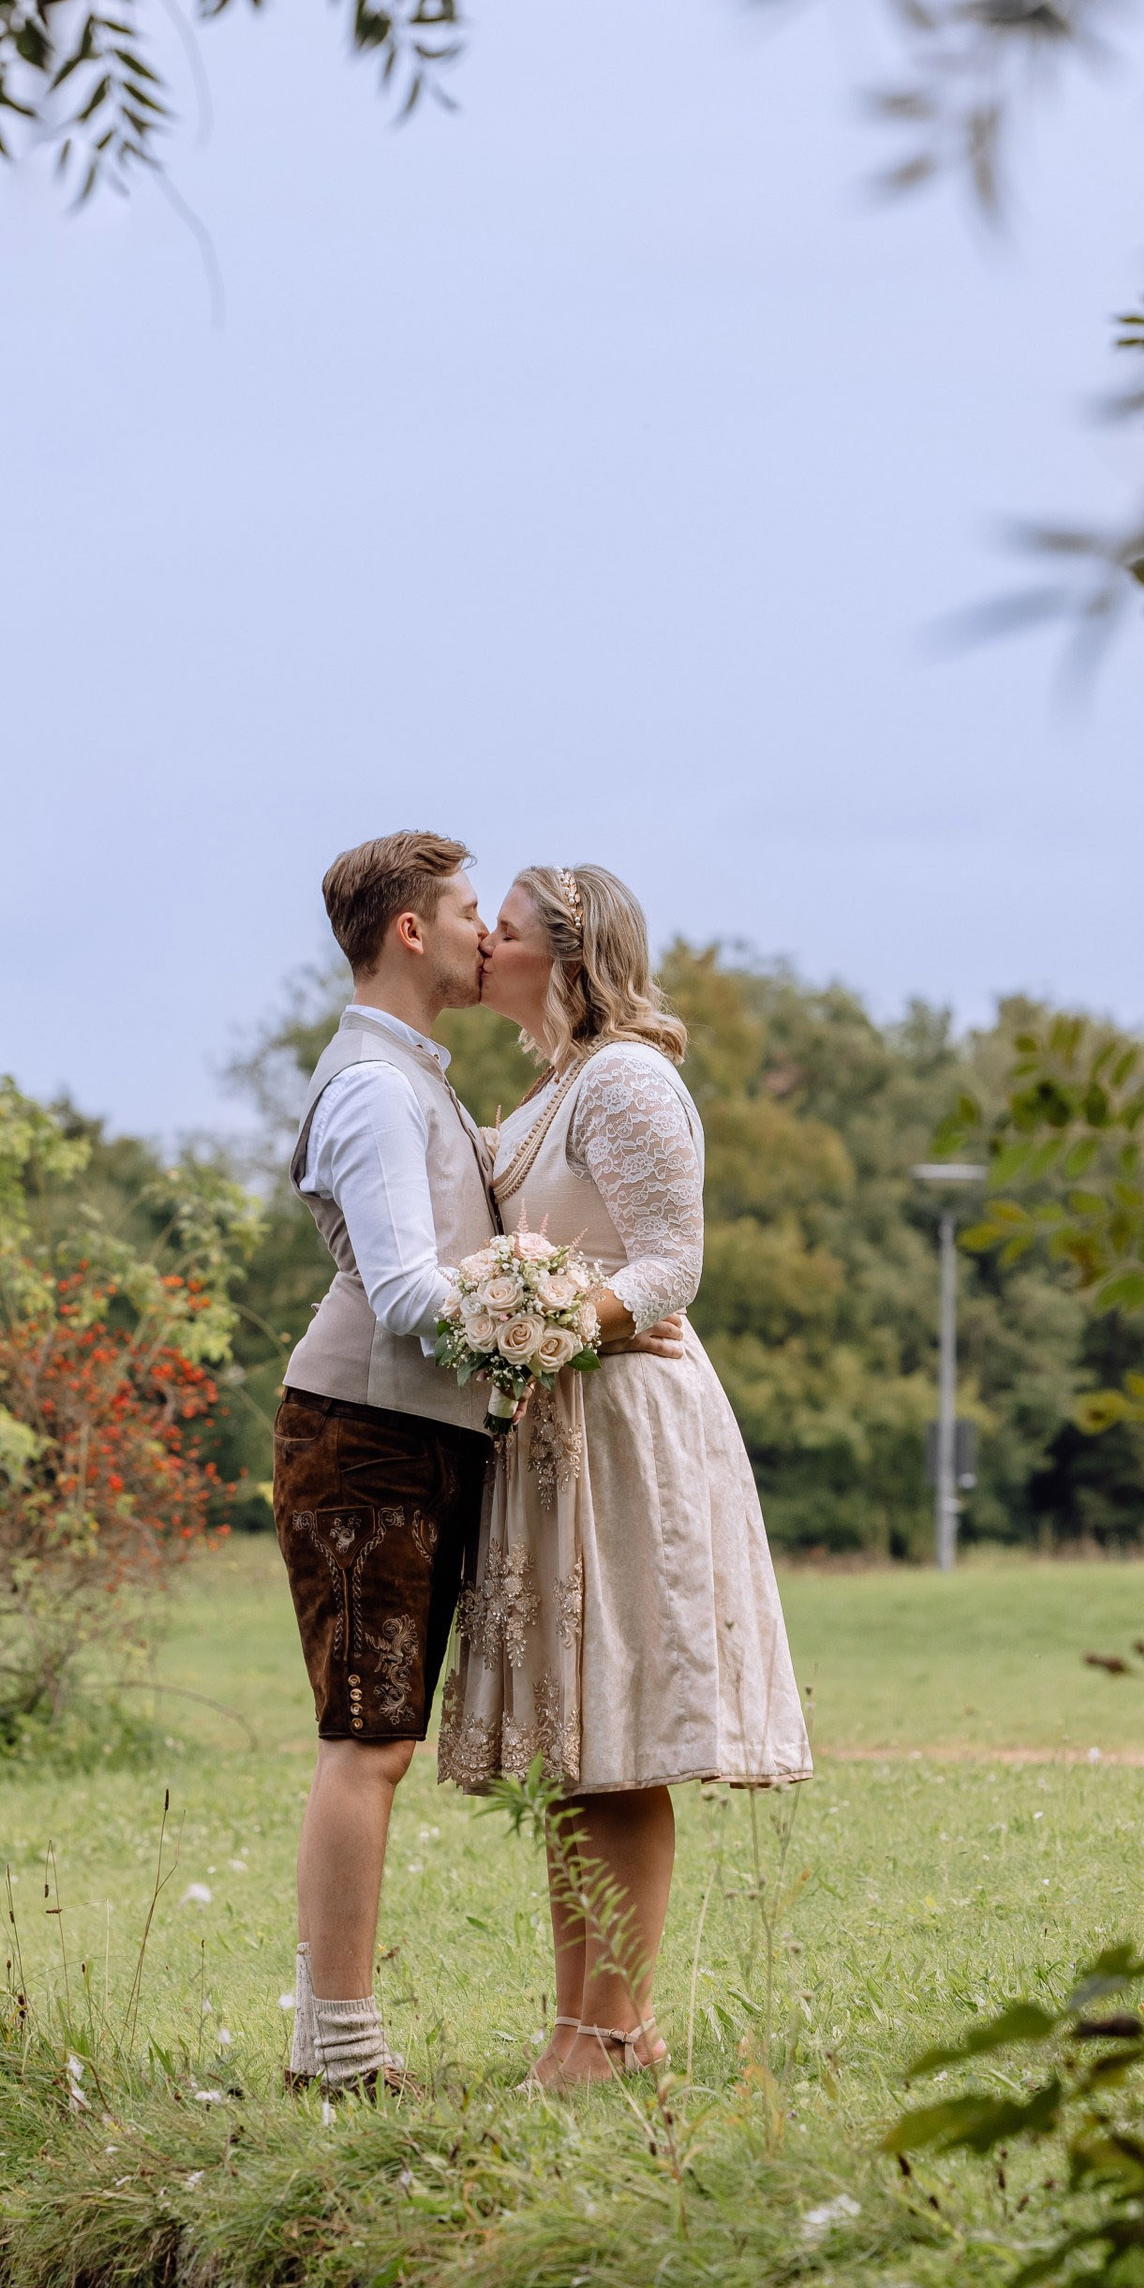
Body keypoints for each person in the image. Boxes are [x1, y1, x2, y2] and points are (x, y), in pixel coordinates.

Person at [273, 830, 678, 2094]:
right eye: (465, 912)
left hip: (423, 1433)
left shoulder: (420, 1078)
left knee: (381, 1734)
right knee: (368, 1735)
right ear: (411, 931)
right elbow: (404, 1291)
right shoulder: (376, 1089)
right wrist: (563, 1320)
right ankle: (336, 2052)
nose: (481, 935)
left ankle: (566, 2032)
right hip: (363, 1437)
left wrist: (567, 1321)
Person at [437, 865, 812, 2087]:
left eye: (501, 931)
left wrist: (551, 1324)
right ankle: (591, 2026)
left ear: (566, 951)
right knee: (573, 1738)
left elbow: (669, 1265)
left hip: (625, 1424)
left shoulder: (627, 1078)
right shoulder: (553, 1085)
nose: (481, 945)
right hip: (555, 1423)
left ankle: (610, 2030)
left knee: (621, 1732)